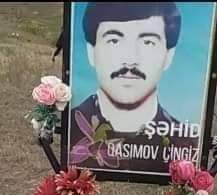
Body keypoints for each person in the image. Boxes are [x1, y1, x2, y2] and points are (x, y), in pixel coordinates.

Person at [69, 2, 199, 173]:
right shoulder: (70, 129)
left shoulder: (186, 144)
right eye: (114, 41)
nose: (130, 60)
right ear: (91, 51)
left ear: (169, 55)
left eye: (148, 42)